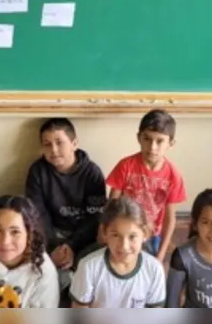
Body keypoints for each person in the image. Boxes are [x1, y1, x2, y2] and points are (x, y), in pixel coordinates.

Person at [25, 118, 107, 292]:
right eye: (47, 144)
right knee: (37, 269)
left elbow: (94, 217)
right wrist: (53, 248)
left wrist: (72, 245)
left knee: (95, 264)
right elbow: (38, 214)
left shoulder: (92, 173)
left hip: (84, 236)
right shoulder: (37, 171)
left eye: (59, 142)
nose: (53, 150)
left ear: (74, 143)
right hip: (52, 235)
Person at [105, 109, 186, 258]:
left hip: (151, 234)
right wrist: (104, 234)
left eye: (159, 141)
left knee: (147, 266)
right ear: (139, 138)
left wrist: (161, 256)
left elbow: (170, 218)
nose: (152, 147)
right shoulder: (125, 166)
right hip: (124, 228)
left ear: (171, 143)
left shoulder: (173, 176)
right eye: (147, 139)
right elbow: (112, 205)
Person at [69, 196, 166, 308]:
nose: (124, 246)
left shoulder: (154, 269)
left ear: (144, 234)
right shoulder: (89, 267)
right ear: (105, 233)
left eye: (132, 236)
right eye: (115, 235)